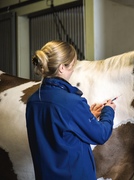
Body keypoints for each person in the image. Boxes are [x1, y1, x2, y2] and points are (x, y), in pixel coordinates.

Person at [26, 40, 116, 180]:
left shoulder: (33, 101)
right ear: (62, 68)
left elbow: (58, 130)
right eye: (72, 65)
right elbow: (100, 135)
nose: (73, 70)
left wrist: (88, 116)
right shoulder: (72, 102)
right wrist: (108, 111)